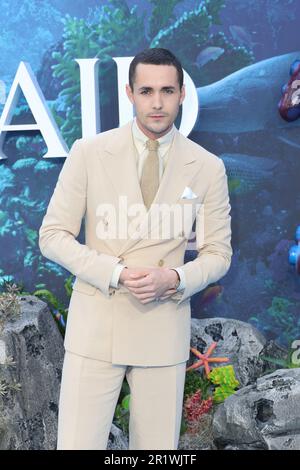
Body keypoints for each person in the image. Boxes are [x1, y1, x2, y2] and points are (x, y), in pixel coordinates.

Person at [38, 47, 232, 450]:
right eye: (146, 90)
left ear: (182, 94)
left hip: (162, 328)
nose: (157, 102)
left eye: (166, 90)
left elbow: (218, 254)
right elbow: (52, 235)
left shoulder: (208, 166)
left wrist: (174, 277)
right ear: (130, 93)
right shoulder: (89, 153)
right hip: (96, 327)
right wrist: (116, 273)